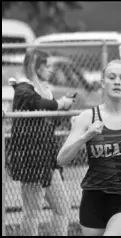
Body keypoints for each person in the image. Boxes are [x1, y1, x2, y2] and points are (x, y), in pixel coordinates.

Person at [56, 59, 121, 236]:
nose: (117, 81)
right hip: (93, 200)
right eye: (111, 77)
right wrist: (85, 136)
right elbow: (61, 159)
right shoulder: (88, 117)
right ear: (103, 83)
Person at [6, 49, 74, 236]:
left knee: (62, 207)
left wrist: (64, 106)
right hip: (31, 158)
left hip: (48, 158)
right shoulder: (23, 89)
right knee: (33, 210)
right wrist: (59, 104)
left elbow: (54, 120)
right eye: (46, 66)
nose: (50, 70)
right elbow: (36, 103)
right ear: (35, 68)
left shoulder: (46, 90)